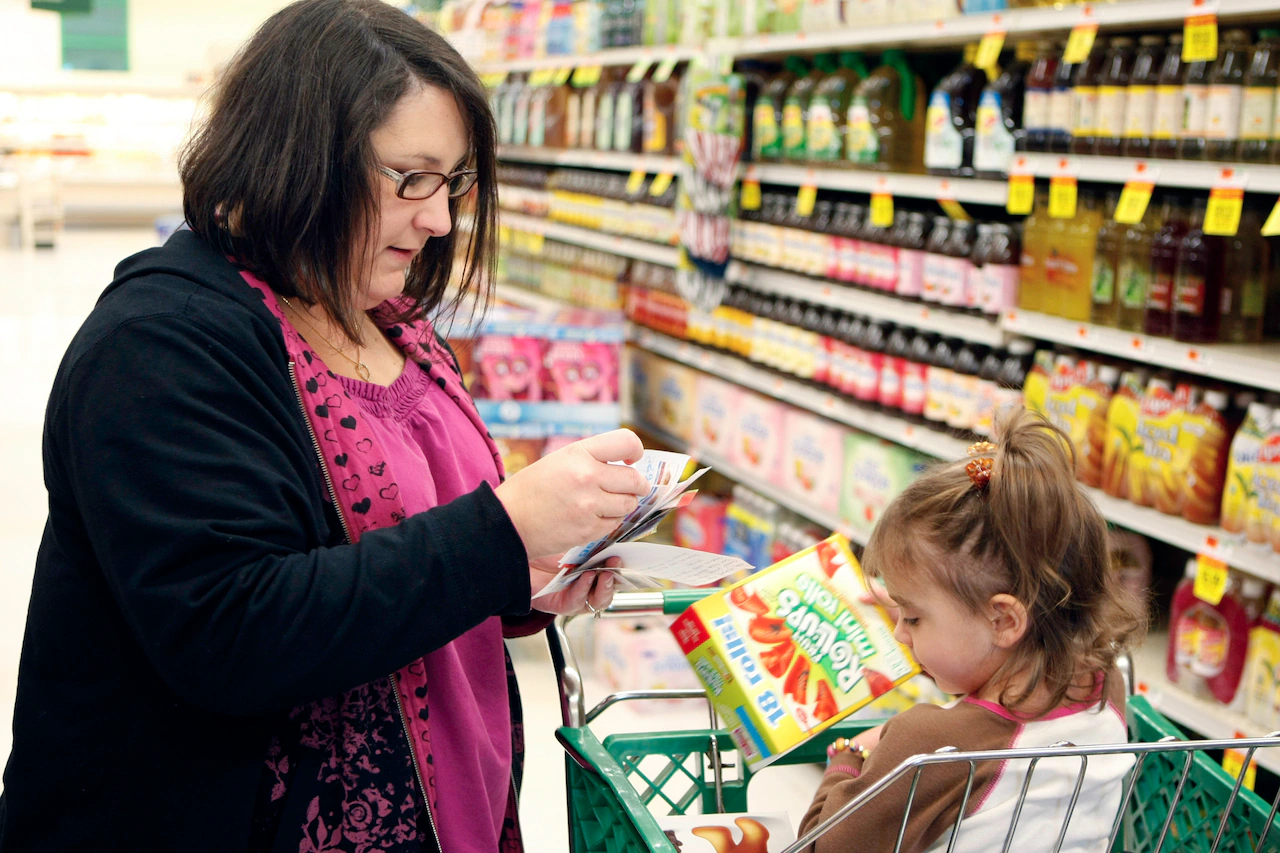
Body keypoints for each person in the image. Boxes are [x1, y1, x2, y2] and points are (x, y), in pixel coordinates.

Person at [0, 2, 653, 851]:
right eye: (411, 179)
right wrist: (502, 528)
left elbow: (399, 545)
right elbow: (231, 633)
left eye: (453, 182)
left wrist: (516, 576)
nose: (441, 219)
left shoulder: (390, 319)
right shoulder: (159, 346)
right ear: (299, 156)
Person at [799, 409, 1146, 852]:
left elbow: (818, 847)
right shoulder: (1103, 685)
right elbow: (991, 692)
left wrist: (848, 753)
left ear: (1003, 621)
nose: (902, 634)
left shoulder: (927, 746)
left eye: (915, 618)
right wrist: (921, 615)